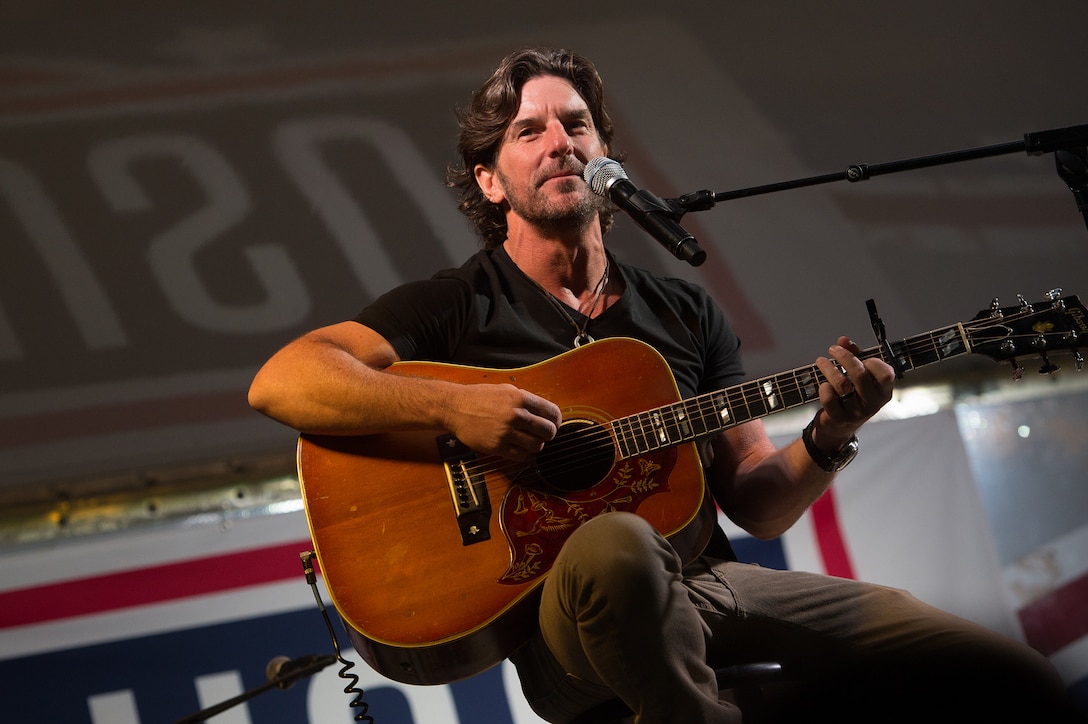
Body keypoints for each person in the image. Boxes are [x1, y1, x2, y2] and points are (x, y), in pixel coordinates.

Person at [248, 48, 1081, 723]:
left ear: (605, 154)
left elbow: (755, 499)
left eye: (575, 124)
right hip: (567, 620)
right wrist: (456, 406)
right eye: (528, 132)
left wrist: (829, 437)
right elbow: (283, 380)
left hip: (708, 584)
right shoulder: (457, 304)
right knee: (616, 544)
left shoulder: (681, 308)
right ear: (491, 181)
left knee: (1001, 675)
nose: (559, 143)